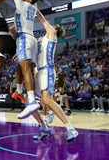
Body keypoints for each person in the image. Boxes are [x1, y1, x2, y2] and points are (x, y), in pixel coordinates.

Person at [0, 0, 43, 119]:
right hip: (30, 38)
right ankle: (20, 92)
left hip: (25, 38)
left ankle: (31, 100)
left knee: (24, 67)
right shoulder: (33, 4)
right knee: (23, 66)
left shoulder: (23, 3)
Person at [32, 10, 78, 141]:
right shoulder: (41, 39)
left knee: (47, 100)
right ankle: (44, 128)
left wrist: (33, 7)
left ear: (55, 30)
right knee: (33, 103)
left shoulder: (52, 34)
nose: (52, 26)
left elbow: (41, 18)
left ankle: (71, 128)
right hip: (38, 71)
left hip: (47, 70)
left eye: (54, 26)